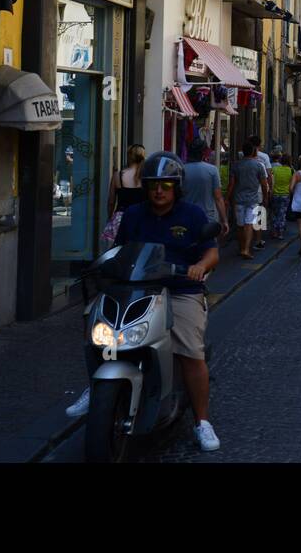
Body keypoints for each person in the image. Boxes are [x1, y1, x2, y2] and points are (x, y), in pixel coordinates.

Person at [72, 151, 221, 451]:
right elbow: (120, 250)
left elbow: (212, 252)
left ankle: (202, 422)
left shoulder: (192, 215)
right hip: (135, 288)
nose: (159, 190)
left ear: (176, 187)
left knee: (190, 349)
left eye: (166, 185)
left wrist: (200, 267)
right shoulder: (134, 215)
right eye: (154, 184)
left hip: (179, 290)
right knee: (99, 330)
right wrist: (103, 265)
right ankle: (97, 386)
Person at [227, 140, 269, 260]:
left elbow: (231, 184)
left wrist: (227, 198)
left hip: (238, 199)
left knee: (240, 225)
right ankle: (246, 248)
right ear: (253, 152)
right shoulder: (258, 166)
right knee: (249, 224)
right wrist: (265, 197)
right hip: (252, 199)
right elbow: (264, 184)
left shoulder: (236, 165)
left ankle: (241, 248)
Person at [181, 138, 229, 239]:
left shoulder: (181, 170)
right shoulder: (212, 170)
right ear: (203, 153)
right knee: (209, 248)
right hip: (207, 217)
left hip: (185, 216)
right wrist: (224, 220)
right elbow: (218, 198)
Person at [107, 144, 147, 218]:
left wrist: (110, 218)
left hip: (121, 218)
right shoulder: (146, 176)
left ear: (129, 157)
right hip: (141, 218)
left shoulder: (117, 176)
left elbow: (111, 202)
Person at [249, 136, 272, 251]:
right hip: (260, 190)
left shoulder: (242, 155)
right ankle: (258, 239)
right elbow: (269, 174)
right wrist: (270, 189)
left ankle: (251, 239)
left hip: (250, 189)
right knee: (259, 215)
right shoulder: (264, 157)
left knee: (251, 215)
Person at [269, 153, 292, 240]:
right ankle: (280, 232)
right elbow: (291, 183)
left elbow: (272, 182)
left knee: (274, 213)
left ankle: (274, 231)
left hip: (275, 194)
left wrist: (271, 192)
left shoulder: (274, 169)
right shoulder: (291, 170)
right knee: (282, 214)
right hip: (285, 195)